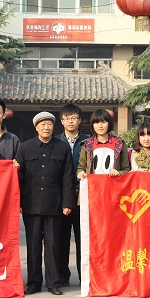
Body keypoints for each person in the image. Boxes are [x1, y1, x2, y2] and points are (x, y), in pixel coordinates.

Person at [14, 111, 76, 296]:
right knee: (33, 245)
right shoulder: (25, 148)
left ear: (53, 126)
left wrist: (68, 203)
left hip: (54, 205)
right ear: (36, 127)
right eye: (43, 125)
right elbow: (18, 177)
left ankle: (53, 283)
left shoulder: (62, 148)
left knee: (53, 245)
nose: (46, 127)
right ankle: (34, 282)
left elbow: (68, 177)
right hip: (31, 204)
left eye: (49, 124)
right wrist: (18, 202)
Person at [58, 104, 87, 286]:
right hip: (61, 198)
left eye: (74, 118)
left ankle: (84, 276)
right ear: (61, 121)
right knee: (61, 239)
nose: (71, 121)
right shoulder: (55, 142)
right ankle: (62, 276)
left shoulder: (88, 143)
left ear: (79, 120)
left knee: (83, 239)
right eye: (67, 118)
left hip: (83, 197)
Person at [77, 109, 131, 180]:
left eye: (103, 122)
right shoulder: (87, 144)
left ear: (109, 123)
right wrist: (80, 173)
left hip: (113, 184)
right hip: (92, 184)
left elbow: (126, 169)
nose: (100, 126)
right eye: (96, 123)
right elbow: (81, 167)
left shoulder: (119, 143)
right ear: (92, 125)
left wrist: (119, 173)